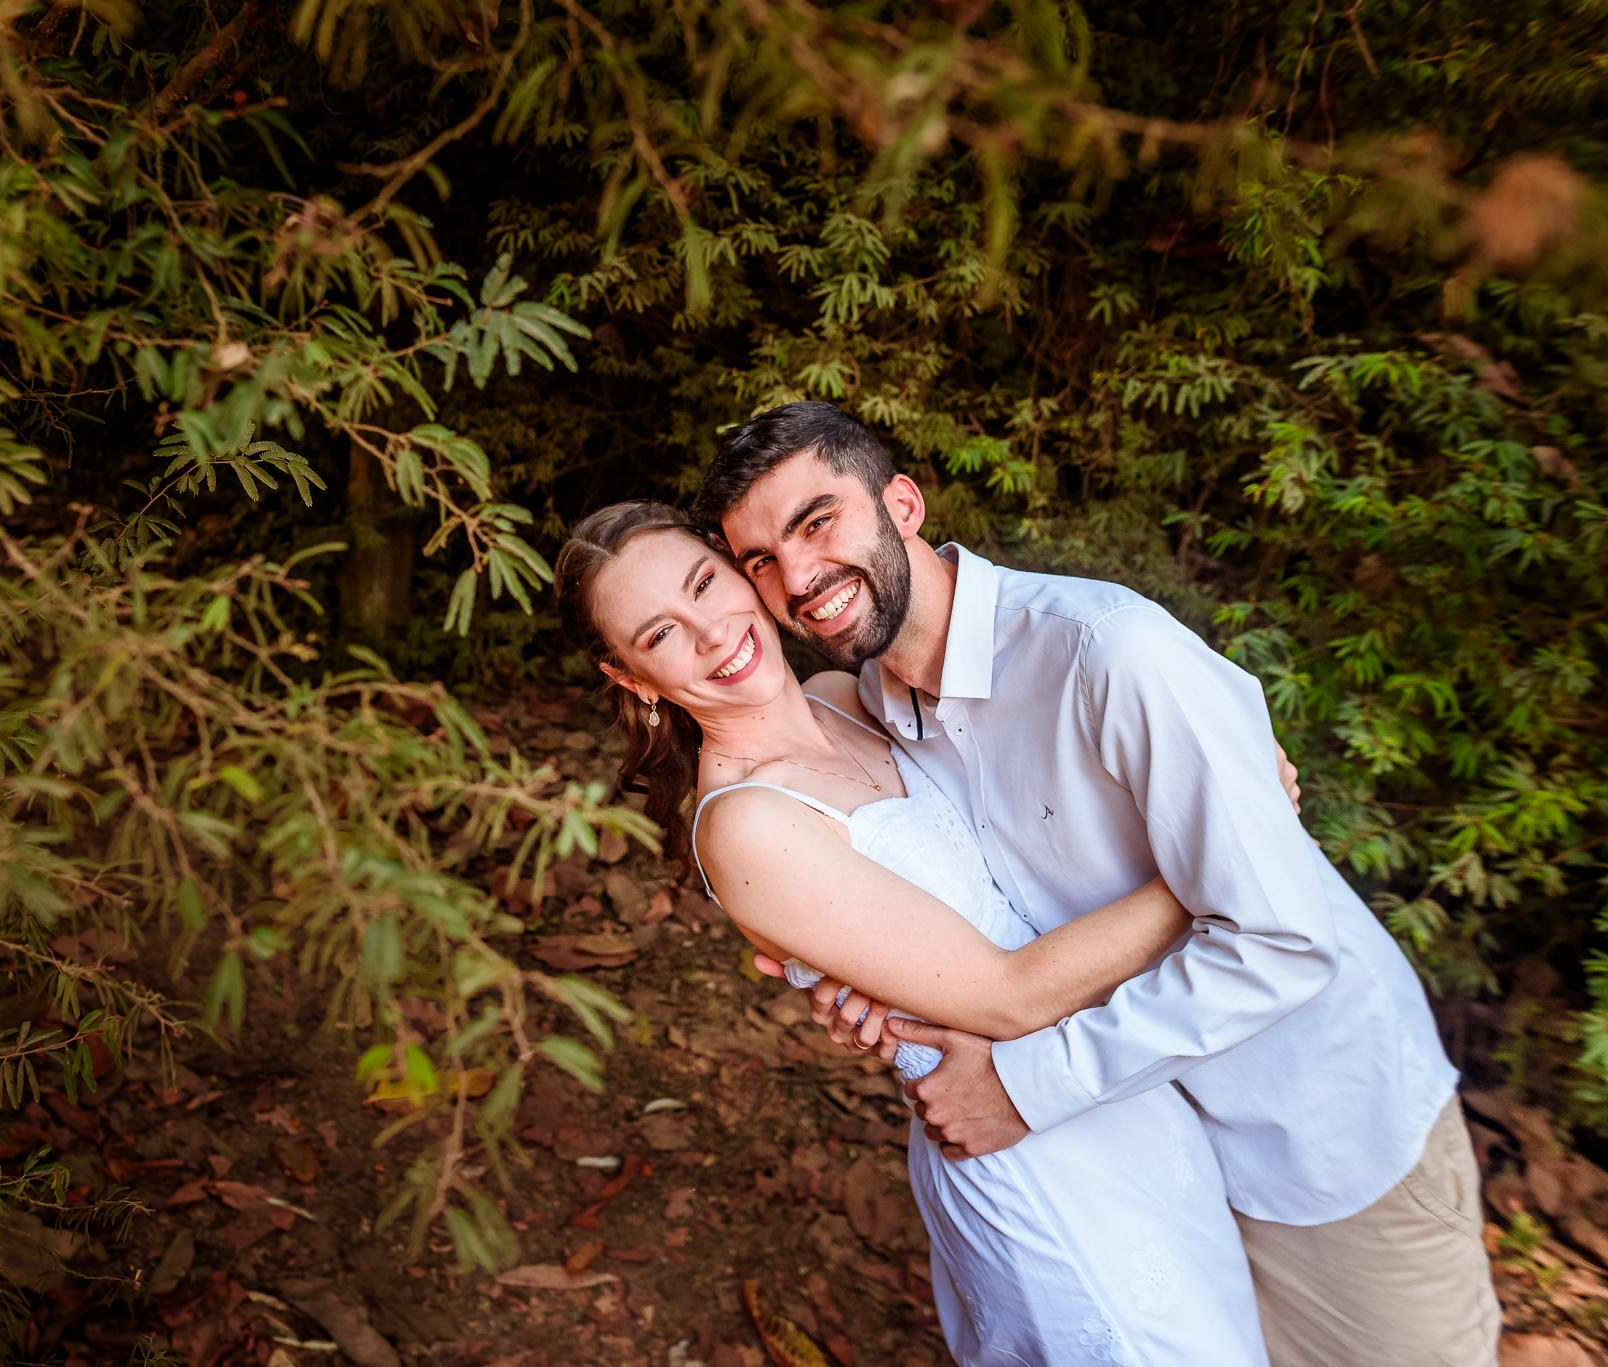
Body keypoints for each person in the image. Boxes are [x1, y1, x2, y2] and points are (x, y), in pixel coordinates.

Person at [693, 401, 1500, 1366]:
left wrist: (1026, 1088)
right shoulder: (872, 709)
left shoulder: (1107, 652)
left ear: (901, 503)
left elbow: (1279, 936)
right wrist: (867, 987)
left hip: (1323, 1141)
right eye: (760, 561)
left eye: (817, 522)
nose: (799, 576)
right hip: (1146, 1154)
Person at [556, 501, 1273, 1365]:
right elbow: (1010, 994)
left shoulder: (843, 698)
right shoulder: (746, 825)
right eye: (661, 633)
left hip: (1120, 1092)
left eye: (705, 583)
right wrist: (1223, 846)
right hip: (1028, 1148)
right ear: (631, 676)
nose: (714, 635)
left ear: (740, 567)